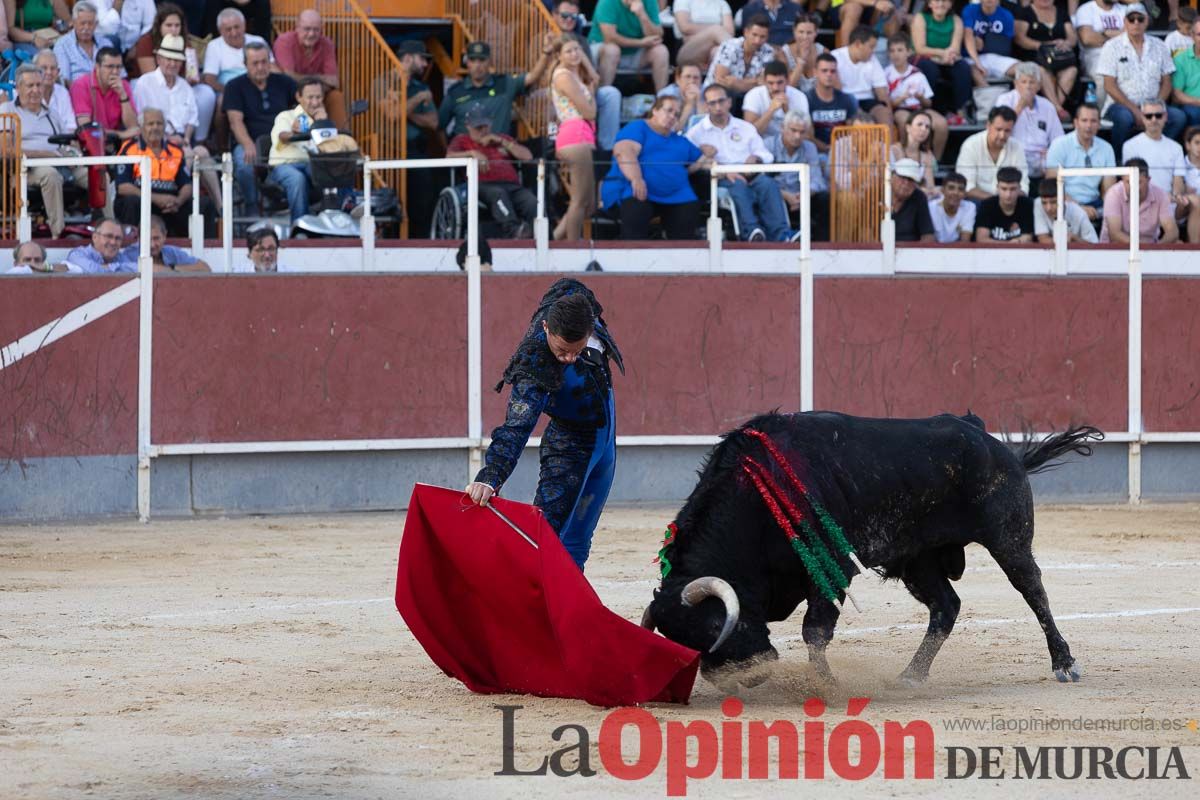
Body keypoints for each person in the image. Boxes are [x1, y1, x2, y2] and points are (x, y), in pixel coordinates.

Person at [465, 279, 625, 572]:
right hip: (570, 449)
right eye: (563, 350)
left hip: (605, 447)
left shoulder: (576, 302)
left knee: (579, 541)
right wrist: (491, 476)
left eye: (576, 350)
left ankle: (563, 610)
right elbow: (516, 427)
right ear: (547, 329)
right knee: (544, 540)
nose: (569, 358)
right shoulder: (534, 365)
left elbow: (569, 285)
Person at [687, 83, 801, 242]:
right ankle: (752, 231)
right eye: (712, 103)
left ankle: (782, 234)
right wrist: (722, 171)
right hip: (719, 179)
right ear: (706, 106)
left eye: (721, 101)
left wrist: (756, 158)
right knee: (738, 185)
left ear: (729, 102)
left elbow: (766, 154)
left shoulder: (745, 127)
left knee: (768, 184)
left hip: (750, 174)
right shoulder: (696, 133)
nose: (718, 106)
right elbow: (690, 164)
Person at [132, 34, 221, 214]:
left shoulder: (184, 86)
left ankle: (220, 207)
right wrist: (169, 139)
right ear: (158, 59)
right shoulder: (145, 83)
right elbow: (142, 121)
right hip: (155, 143)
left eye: (176, 60)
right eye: (168, 59)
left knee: (201, 152)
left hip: (181, 142)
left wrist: (186, 138)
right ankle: (182, 203)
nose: (172, 64)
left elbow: (192, 119)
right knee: (189, 156)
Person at [602, 95, 711, 239]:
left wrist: (718, 165)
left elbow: (704, 161)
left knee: (687, 223)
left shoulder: (679, 141)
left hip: (677, 196)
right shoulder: (638, 127)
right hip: (637, 191)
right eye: (669, 111)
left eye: (676, 114)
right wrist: (636, 178)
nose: (672, 116)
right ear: (655, 110)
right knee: (636, 210)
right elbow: (624, 152)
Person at [0, 64, 87, 238]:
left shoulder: (52, 114)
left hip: (59, 161)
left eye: (38, 85)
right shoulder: (7, 111)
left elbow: (65, 143)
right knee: (50, 175)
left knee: (95, 174)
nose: (35, 90)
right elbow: (6, 151)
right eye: (29, 86)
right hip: (25, 169)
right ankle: (58, 233)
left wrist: (72, 152)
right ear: (18, 88)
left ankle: (106, 225)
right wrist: (45, 155)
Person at [1096, 6, 1184, 161]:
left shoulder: (1159, 45)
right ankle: (1119, 162)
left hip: (1153, 103)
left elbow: (1167, 81)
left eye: (1140, 19)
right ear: (1125, 22)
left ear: (1147, 22)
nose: (1136, 23)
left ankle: (1158, 155)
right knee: (1124, 118)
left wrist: (1156, 106)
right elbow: (1109, 85)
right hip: (1122, 105)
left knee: (1178, 117)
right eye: (1131, 19)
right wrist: (1135, 111)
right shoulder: (1111, 46)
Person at [114, 108, 214, 237]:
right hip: (142, 202)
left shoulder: (175, 150)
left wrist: (178, 201)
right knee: (131, 201)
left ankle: (206, 251)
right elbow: (123, 187)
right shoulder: (129, 149)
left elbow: (187, 185)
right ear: (142, 127)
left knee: (205, 204)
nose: (155, 127)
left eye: (159, 123)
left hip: (171, 205)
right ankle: (130, 248)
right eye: (150, 124)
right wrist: (155, 198)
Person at [224, 42, 296, 214]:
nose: (261, 67)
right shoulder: (234, 86)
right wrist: (248, 144)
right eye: (255, 63)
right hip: (249, 141)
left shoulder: (285, 82)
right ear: (245, 65)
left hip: (282, 141)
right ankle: (252, 208)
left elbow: (300, 109)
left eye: (264, 62)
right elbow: (235, 121)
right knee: (243, 164)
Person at [446, 104, 537, 239]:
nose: (483, 130)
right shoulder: (462, 140)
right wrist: (472, 153)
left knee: (531, 201)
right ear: (468, 126)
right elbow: (449, 156)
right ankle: (513, 231)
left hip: (511, 185)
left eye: (486, 126)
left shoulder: (501, 138)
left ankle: (544, 237)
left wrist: (502, 142)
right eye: (478, 127)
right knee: (498, 193)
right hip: (481, 185)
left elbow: (528, 156)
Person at [128, 4, 215, 141]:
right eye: (169, 25)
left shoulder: (184, 42)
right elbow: (152, 75)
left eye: (177, 25)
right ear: (160, 25)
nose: (173, 30)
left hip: (180, 83)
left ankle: (200, 140)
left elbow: (192, 73)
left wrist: (191, 78)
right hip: (153, 82)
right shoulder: (146, 41)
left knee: (205, 93)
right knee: (144, 86)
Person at [438, 39, 555, 137]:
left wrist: (545, 53)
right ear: (467, 62)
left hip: (497, 156)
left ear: (489, 61)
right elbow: (439, 126)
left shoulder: (504, 83)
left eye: (482, 60)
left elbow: (533, 76)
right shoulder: (455, 91)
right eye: (473, 60)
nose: (477, 65)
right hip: (465, 158)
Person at [550, 1, 623, 149]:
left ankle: (607, 149)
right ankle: (551, 142)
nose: (569, 19)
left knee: (611, 93)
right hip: (555, 91)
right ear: (554, 15)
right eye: (565, 15)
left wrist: (579, 51)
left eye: (574, 16)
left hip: (581, 89)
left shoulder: (581, 41)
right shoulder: (541, 38)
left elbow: (592, 77)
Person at [1122, 99, 1200, 236]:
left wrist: (1177, 196)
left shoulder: (1175, 147)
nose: (1153, 119)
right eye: (1148, 116)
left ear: (1165, 117)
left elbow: (1178, 181)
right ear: (1142, 117)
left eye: (1158, 115)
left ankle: (1195, 251)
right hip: (1143, 201)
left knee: (1195, 200)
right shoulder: (1130, 146)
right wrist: (1161, 197)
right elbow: (1133, 183)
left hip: (1171, 203)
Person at [269, 77, 340, 223]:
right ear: (298, 97)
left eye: (318, 97)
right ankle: (300, 226)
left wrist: (322, 124)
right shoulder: (286, 116)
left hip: (312, 165)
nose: (315, 102)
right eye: (310, 97)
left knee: (332, 173)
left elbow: (331, 150)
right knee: (297, 178)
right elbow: (282, 136)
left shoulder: (323, 120)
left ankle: (337, 217)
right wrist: (295, 134)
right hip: (284, 166)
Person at [550, 35, 598, 241]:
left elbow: (596, 78)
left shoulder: (574, 75)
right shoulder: (563, 76)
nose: (575, 54)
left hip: (583, 135)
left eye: (578, 49)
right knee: (579, 200)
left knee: (589, 203)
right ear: (559, 56)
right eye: (568, 51)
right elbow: (589, 113)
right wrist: (593, 101)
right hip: (574, 135)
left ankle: (554, 237)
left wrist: (583, 62)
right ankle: (571, 247)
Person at [273, 9, 347, 131]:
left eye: (316, 29)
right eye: (307, 29)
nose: (312, 34)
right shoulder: (284, 41)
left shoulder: (326, 43)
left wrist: (312, 89)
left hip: (318, 93)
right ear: (297, 27)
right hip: (290, 93)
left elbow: (334, 82)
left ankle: (341, 137)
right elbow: (288, 76)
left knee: (336, 96)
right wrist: (320, 78)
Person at [1045, 101, 1117, 221]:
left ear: (1099, 124)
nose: (1088, 126)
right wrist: (1079, 208)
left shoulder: (1106, 148)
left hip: (1095, 204)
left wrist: (1106, 209)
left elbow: (1109, 189)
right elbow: (1053, 185)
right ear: (1075, 123)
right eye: (1084, 120)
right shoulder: (1059, 144)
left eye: (1093, 121)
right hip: (1064, 202)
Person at [996, 61, 1065, 181]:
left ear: (1038, 86)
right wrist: (1019, 107)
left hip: (1041, 161)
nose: (1028, 86)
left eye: (1032, 82)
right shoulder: (1005, 100)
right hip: (1013, 157)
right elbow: (1000, 129)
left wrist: (1051, 151)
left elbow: (1058, 138)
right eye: (1023, 82)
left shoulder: (1047, 106)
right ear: (1016, 84)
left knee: (1058, 162)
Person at [766, 110, 829, 240]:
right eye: (793, 130)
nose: (797, 136)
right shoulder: (768, 145)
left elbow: (818, 181)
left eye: (802, 132)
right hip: (777, 196)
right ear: (782, 128)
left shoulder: (810, 147)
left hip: (802, 196)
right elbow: (760, 180)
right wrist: (785, 195)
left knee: (825, 198)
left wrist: (804, 194)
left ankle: (822, 245)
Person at [1014, 0, 1078, 122]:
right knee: (1041, 70)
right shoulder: (1025, 12)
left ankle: (1054, 108)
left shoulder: (1061, 12)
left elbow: (1072, 37)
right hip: (1035, 55)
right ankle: (1058, 109)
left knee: (1072, 70)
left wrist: (1066, 43)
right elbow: (1020, 38)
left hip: (1058, 57)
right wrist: (1041, 45)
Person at [884, 34, 947, 160]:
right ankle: (904, 159)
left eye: (900, 50)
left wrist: (921, 98)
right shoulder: (886, 73)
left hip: (919, 109)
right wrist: (902, 98)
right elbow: (887, 103)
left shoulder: (917, 73)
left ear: (909, 52)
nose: (896, 54)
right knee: (905, 121)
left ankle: (935, 161)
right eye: (892, 51)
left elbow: (928, 103)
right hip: (900, 108)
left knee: (941, 124)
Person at [911, 0, 971, 125]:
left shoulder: (956, 20)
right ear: (929, 4)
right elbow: (920, 48)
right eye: (936, 1)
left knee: (963, 68)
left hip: (945, 58)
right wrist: (942, 53)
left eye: (945, 1)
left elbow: (955, 49)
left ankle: (960, 110)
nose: (941, 4)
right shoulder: (921, 18)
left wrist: (948, 56)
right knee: (931, 69)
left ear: (950, 4)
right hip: (923, 58)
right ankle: (929, 109)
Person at [589, 0, 670, 91]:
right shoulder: (607, 2)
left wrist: (642, 15)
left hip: (635, 52)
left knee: (661, 51)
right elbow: (610, 38)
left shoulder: (649, 2)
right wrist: (641, 43)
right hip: (603, 50)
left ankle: (663, 98)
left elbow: (657, 35)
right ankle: (603, 96)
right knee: (612, 50)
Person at [955, 106, 1029, 200]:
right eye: (998, 129)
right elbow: (967, 187)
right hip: (979, 202)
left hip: (1010, 202)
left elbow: (1023, 187)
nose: (1002, 136)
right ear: (988, 125)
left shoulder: (1017, 147)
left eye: (1007, 131)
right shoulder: (971, 145)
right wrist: (996, 202)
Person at [1101, 157, 1178, 243]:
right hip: (1115, 250)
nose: (1133, 187)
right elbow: (1115, 234)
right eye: (1128, 182)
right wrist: (1143, 248)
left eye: (1138, 182)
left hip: (1151, 250)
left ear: (1148, 180)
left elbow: (1172, 231)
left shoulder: (1160, 194)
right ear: (1122, 179)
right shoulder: (1113, 194)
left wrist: (1157, 247)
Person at [705, 13, 776, 105]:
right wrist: (753, 82)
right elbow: (720, 80)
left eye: (762, 37)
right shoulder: (729, 46)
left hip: (749, 96)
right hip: (716, 94)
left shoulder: (768, 51)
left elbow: (763, 82)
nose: (757, 40)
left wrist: (736, 83)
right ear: (746, 32)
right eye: (754, 35)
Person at [70, 46, 138, 139]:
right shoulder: (81, 85)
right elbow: (86, 129)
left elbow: (133, 127)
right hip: (92, 146)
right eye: (110, 67)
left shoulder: (123, 85)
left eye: (118, 67)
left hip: (116, 144)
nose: (115, 72)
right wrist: (119, 135)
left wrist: (123, 95)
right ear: (97, 66)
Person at [1074, 0, 1131, 111]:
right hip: (1095, 56)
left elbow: (1132, 35)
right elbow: (1087, 39)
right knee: (1103, 77)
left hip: (1123, 54)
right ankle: (1100, 114)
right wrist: (1119, 34)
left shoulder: (1125, 10)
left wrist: (1104, 33)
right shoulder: (1086, 9)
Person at [832, 25, 892, 128]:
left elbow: (882, 91)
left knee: (884, 114)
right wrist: (855, 108)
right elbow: (837, 91)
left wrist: (889, 112)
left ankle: (889, 144)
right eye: (871, 47)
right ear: (858, 44)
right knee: (860, 118)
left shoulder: (872, 59)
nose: (873, 51)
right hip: (845, 100)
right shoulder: (836, 57)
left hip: (867, 100)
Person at [203, 8, 271, 95]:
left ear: (244, 25)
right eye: (228, 29)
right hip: (229, 92)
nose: (234, 33)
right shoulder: (214, 46)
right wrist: (232, 93)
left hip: (260, 89)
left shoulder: (258, 40)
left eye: (237, 27)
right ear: (220, 31)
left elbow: (272, 67)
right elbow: (209, 79)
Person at [806, 52, 860, 153]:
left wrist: (838, 149)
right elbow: (806, 135)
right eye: (824, 71)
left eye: (833, 71)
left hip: (844, 152)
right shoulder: (807, 99)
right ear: (815, 72)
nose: (829, 75)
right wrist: (827, 148)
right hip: (816, 153)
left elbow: (853, 130)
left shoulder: (847, 99)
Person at [742, 59, 809, 139]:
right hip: (762, 143)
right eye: (771, 83)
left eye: (780, 82)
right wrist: (771, 110)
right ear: (764, 81)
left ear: (787, 80)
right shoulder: (754, 95)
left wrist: (788, 112)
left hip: (790, 143)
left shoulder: (799, 97)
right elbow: (749, 134)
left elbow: (806, 134)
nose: (775, 88)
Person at [120, 215, 212, 272]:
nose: (152, 244)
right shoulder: (129, 254)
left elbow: (205, 268)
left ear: (165, 236)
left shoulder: (172, 251)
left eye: (156, 238)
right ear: (139, 238)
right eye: (147, 239)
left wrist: (172, 268)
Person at [963, 0, 1020, 87]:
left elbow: (1005, 46)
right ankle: (989, 97)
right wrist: (977, 62)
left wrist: (986, 43)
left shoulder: (1006, 15)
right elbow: (968, 36)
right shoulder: (970, 10)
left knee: (1027, 68)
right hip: (972, 57)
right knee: (973, 70)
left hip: (995, 57)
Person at [975, 166, 1035, 242]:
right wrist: (1009, 244)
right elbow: (981, 239)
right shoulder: (987, 205)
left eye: (1013, 189)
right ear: (997, 188)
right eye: (1004, 189)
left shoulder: (1027, 205)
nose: (1008, 194)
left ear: (1019, 188)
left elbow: (1028, 238)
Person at [890, 110, 940, 199]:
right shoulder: (894, 150)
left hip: (920, 199)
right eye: (919, 124)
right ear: (908, 128)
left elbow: (930, 187)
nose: (924, 129)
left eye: (927, 127)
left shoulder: (928, 155)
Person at [1034, 178, 1100, 244]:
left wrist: (1074, 238)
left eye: (1053, 202)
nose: (1048, 208)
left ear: (1064, 198)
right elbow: (1043, 239)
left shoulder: (1079, 213)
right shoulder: (1038, 204)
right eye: (1044, 203)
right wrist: (1063, 240)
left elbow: (1094, 245)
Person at [671, 0, 733, 67]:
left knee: (717, 52)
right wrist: (713, 31)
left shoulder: (721, 2)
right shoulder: (682, 1)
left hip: (716, 45)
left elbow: (730, 31)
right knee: (716, 30)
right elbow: (685, 27)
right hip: (688, 48)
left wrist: (712, 33)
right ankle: (739, 55)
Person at [53, 1, 102, 84]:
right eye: (82, 23)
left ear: (96, 24)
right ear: (74, 23)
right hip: (77, 92)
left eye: (90, 23)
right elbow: (64, 81)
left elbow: (119, 75)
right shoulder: (62, 45)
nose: (86, 28)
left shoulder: (105, 43)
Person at [64, 217, 137, 273]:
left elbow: (138, 268)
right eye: (109, 236)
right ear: (95, 237)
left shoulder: (119, 257)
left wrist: (109, 267)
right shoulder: (78, 254)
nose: (113, 242)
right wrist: (116, 268)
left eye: (118, 238)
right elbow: (93, 271)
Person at [888, 158, 936, 242]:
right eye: (902, 177)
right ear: (892, 176)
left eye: (911, 179)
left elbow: (928, 236)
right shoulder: (877, 194)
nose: (906, 183)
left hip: (911, 251)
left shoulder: (919, 197)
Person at [5, 0, 70, 56]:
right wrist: (33, 38)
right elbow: (10, 29)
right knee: (42, 59)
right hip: (24, 39)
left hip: (48, 37)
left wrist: (61, 25)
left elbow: (68, 21)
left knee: (66, 54)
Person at [657, 62, 708, 132]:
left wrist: (699, 101)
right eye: (688, 77)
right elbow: (672, 129)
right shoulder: (667, 95)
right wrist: (689, 105)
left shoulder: (708, 93)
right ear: (678, 79)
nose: (692, 81)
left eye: (696, 78)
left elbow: (706, 127)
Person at [781, 13, 825, 92]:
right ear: (794, 31)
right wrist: (801, 60)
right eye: (801, 32)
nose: (805, 37)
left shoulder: (823, 52)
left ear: (816, 32)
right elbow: (787, 87)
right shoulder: (784, 53)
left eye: (809, 33)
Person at [34, 49, 75, 136]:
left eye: (53, 68)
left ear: (58, 72)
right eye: (44, 68)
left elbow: (71, 126)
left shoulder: (63, 93)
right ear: (34, 70)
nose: (49, 72)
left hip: (61, 144)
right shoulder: (26, 93)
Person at [928, 171, 976, 242]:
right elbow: (928, 241)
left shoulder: (969, 207)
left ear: (965, 194)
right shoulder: (931, 207)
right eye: (951, 188)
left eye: (960, 189)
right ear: (943, 190)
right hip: (934, 250)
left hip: (958, 251)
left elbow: (965, 242)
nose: (956, 193)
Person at [1173, 14, 1200, 128]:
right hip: (1191, 105)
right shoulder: (1180, 59)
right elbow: (1177, 95)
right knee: (1195, 113)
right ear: (1192, 36)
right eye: (1199, 35)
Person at [6, 241, 73, 273]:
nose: (33, 263)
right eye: (27, 260)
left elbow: (74, 270)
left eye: (37, 260)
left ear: (43, 262)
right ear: (15, 264)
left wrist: (47, 268)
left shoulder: (48, 270)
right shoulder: (12, 272)